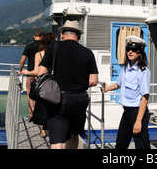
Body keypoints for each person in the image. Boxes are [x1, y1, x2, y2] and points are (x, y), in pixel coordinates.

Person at [37, 20, 98, 149]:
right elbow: (93, 80)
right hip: (80, 98)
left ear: (63, 35)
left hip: (57, 98)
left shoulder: (53, 47)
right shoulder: (88, 52)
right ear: (79, 36)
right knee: (74, 134)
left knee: (57, 140)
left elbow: (41, 73)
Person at [104, 36, 151, 149]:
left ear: (140, 52)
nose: (130, 52)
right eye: (128, 49)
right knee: (120, 144)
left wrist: (138, 121)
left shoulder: (143, 72)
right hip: (127, 112)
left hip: (137, 112)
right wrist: (107, 88)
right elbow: (119, 84)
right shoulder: (126, 67)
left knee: (142, 146)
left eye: (134, 49)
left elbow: (145, 97)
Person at [19, 32, 56, 138]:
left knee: (34, 100)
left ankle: (41, 127)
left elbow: (34, 70)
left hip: (39, 80)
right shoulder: (56, 54)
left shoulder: (38, 53)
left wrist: (23, 71)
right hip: (54, 82)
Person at [18, 30, 43, 118]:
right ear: (42, 36)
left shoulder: (29, 46)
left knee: (30, 94)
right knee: (40, 94)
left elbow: (22, 60)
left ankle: (31, 113)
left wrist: (20, 70)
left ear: (34, 36)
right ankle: (39, 113)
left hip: (30, 74)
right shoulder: (44, 47)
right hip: (41, 75)